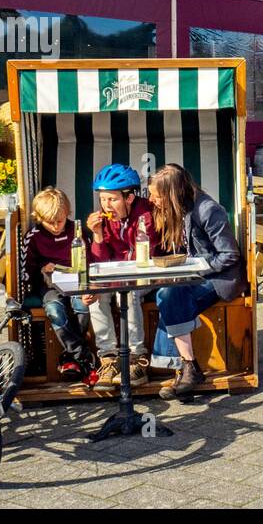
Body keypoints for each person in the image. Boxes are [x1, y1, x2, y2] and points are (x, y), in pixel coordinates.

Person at [150, 164, 248, 399]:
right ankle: (188, 370)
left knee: (168, 298)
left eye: (156, 196)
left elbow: (230, 255)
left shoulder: (207, 210)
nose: (152, 200)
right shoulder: (182, 207)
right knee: (168, 297)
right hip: (197, 276)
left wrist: (196, 269)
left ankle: (186, 369)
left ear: (172, 194)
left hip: (221, 279)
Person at [85, 164, 160, 391]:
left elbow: (141, 262)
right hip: (117, 275)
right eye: (103, 199)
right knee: (96, 295)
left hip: (147, 275)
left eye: (112, 199)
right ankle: (108, 359)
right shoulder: (105, 220)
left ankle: (137, 360)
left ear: (129, 197)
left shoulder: (147, 216)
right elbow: (100, 261)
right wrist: (97, 234)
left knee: (126, 293)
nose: (106, 205)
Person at [20, 188, 94, 378]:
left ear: (67, 214)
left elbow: (90, 260)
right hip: (49, 286)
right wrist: (42, 268)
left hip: (77, 282)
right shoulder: (33, 236)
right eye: (49, 222)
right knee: (54, 310)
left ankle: (70, 358)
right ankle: (82, 355)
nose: (55, 226)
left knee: (82, 305)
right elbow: (26, 272)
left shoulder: (77, 231)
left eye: (59, 221)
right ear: (39, 218)